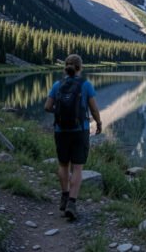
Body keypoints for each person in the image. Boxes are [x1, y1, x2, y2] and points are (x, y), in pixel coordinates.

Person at [44, 54, 102, 221]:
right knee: (77, 168)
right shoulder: (86, 85)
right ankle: (72, 203)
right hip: (80, 130)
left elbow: (47, 107)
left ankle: (64, 195)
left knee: (63, 164)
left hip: (60, 131)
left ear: (65, 67)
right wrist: (98, 123)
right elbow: (94, 109)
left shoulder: (57, 85)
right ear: (80, 67)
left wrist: (60, 113)